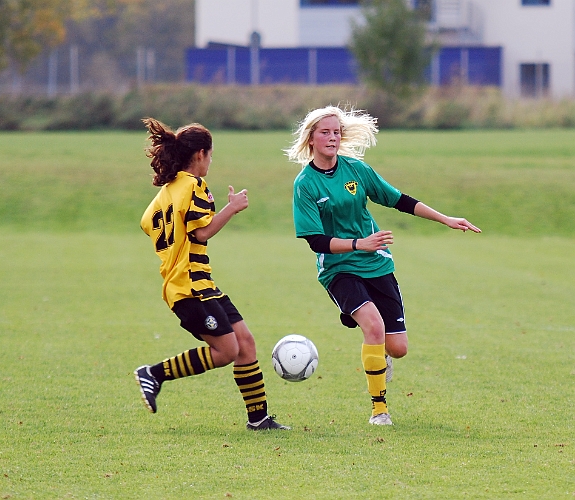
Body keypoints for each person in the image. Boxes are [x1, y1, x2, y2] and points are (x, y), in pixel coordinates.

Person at [288, 105, 481, 426]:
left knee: (398, 348)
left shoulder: (356, 170)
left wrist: (445, 218)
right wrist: (358, 243)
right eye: (325, 132)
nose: (333, 137)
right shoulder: (305, 184)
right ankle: (379, 409)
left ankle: (374, 342)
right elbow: (316, 241)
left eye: (336, 132)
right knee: (374, 328)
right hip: (338, 269)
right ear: (311, 138)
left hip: (376, 263)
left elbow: (398, 199)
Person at [134, 118, 289, 431]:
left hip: (200, 285)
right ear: (200, 154)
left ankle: (258, 419)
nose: (210, 163)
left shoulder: (166, 192)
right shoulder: (194, 186)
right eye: (211, 156)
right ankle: (154, 373)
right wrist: (232, 208)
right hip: (189, 287)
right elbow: (202, 232)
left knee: (245, 342)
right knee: (227, 351)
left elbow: (147, 223)